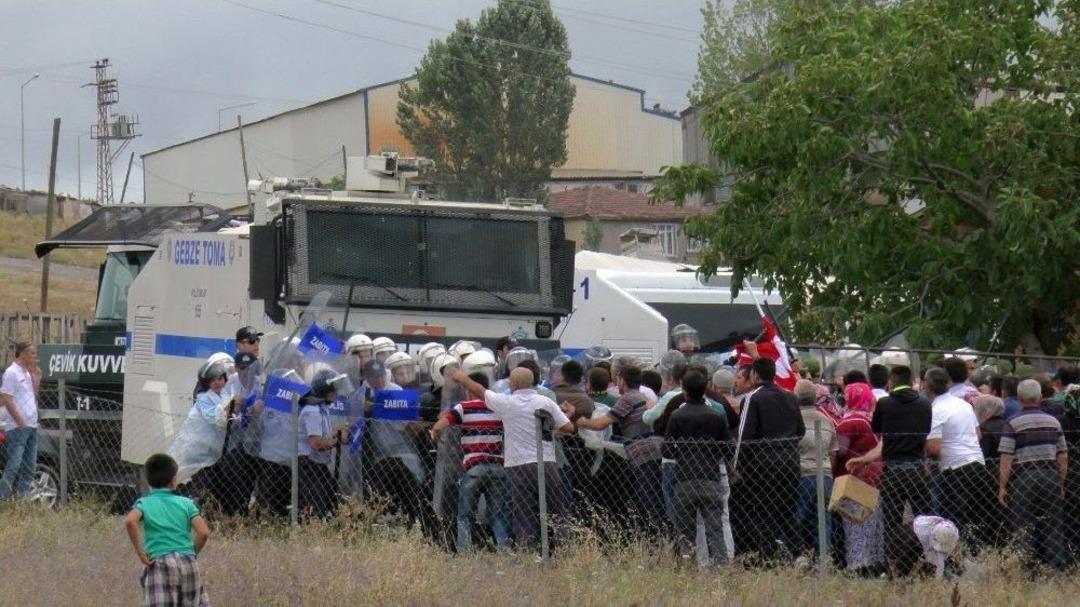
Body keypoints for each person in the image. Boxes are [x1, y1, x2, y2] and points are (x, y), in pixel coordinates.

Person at [453, 367, 573, 550]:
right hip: (547, 463)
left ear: (514, 384)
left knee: (523, 512)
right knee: (557, 509)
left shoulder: (507, 403)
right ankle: (565, 549)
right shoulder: (546, 402)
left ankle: (528, 552)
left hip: (519, 466)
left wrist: (461, 377)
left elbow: (478, 390)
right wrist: (552, 427)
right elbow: (568, 428)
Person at [846, 365, 932, 577]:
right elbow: (926, 433)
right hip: (917, 470)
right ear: (912, 380)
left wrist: (864, 459)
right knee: (923, 519)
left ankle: (894, 567)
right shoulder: (925, 403)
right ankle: (927, 563)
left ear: (890, 382)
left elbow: (880, 435)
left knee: (892, 521)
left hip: (893, 471)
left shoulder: (885, 404)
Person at [573, 363, 666, 531]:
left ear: (622, 381)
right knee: (654, 498)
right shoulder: (647, 399)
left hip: (642, 454)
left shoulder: (628, 399)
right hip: (656, 451)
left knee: (647, 501)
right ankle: (660, 536)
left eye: (617, 380)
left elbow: (599, 424)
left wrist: (576, 419)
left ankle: (655, 537)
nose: (616, 384)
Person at [430, 372, 510, 553]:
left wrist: (436, 432)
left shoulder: (464, 407)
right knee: (498, 515)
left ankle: (465, 554)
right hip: (498, 466)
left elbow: (442, 423)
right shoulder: (499, 407)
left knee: (465, 515)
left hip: (474, 468)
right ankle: (505, 552)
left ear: (469, 390)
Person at [736, 358, 804, 562]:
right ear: (774, 373)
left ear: (755, 375)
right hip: (791, 462)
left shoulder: (752, 398)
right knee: (787, 510)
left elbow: (744, 437)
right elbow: (800, 430)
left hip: (763, 464)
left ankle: (768, 556)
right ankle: (799, 554)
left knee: (764, 510)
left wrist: (738, 465)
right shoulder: (791, 397)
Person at [662, 367, 731, 565]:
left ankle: (688, 567)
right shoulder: (715, 416)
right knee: (715, 529)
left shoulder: (677, 416)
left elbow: (666, 450)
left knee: (686, 531)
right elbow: (726, 449)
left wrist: (681, 454)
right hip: (710, 477)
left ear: (684, 390)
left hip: (684, 479)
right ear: (706, 388)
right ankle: (721, 567)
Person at [998, 378, 1068, 570]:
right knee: (1053, 523)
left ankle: (1024, 568)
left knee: (1022, 524)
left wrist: (1002, 486)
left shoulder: (1012, 423)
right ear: (1039, 397)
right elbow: (1062, 455)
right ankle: (1055, 568)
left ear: (1019, 398)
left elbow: (1007, 457)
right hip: (1049, 475)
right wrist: (1060, 482)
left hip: (1023, 478)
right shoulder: (1053, 422)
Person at [124, 453, 212, 607]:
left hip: (159, 563)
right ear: (173, 481)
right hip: (188, 563)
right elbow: (204, 533)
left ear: (149, 482)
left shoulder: (144, 503)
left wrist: (141, 552)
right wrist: (191, 552)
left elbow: (130, 521)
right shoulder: (187, 503)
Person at [924, 367, 989, 557]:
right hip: (977, 462)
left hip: (955, 468)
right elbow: (978, 434)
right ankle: (976, 554)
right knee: (976, 514)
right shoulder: (964, 405)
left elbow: (934, 449)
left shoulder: (936, 410)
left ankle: (957, 557)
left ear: (927, 386)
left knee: (955, 516)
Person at [835, 383, 885, 573]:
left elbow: (841, 450)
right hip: (875, 478)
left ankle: (858, 566)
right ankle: (875, 563)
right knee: (874, 524)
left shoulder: (851, 421)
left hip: (855, 479)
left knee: (855, 525)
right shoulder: (873, 419)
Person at [793, 379, 838, 561]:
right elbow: (833, 453)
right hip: (825, 476)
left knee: (797, 518)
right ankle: (823, 559)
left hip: (802, 474)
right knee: (823, 521)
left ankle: (797, 556)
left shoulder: (792, 419)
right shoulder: (827, 421)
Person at [298, 370, 345, 518]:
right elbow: (316, 444)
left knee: (329, 500)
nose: (337, 393)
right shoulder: (313, 411)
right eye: (334, 389)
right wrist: (338, 439)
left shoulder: (322, 408)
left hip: (316, 464)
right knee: (315, 506)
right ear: (326, 390)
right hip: (309, 465)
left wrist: (336, 436)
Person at [0, 342, 41, 501]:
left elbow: (34, 397)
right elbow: (7, 398)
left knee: (29, 466)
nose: (34, 357)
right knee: (14, 465)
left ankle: (22, 500)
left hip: (32, 424)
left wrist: (37, 379)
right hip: (18, 426)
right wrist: (19, 420)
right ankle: (3, 499)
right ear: (22, 354)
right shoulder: (12, 372)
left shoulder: (28, 373)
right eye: (32, 353)